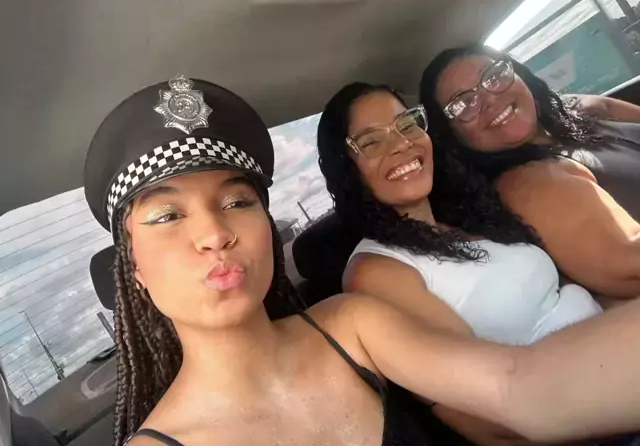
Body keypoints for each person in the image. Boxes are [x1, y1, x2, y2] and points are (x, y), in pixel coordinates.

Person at [86, 75, 640, 446]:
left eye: (237, 202)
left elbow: (518, 388)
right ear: (133, 269)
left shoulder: (350, 324)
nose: (214, 233)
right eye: (167, 216)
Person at [315, 82, 602, 444]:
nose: (401, 144)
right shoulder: (376, 272)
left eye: (407, 124)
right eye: (371, 142)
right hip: (590, 419)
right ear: (347, 169)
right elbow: (486, 419)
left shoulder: (466, 216)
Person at [419, 44, 640, 300]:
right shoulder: (529, 184)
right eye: (463, 104)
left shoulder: (572, 111)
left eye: (494, 75)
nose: (490, 100)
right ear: (452, 135)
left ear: (517, 73)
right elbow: (629, 262)